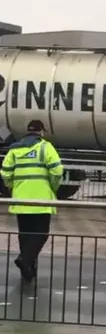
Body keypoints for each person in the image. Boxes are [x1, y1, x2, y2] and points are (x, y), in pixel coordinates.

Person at [0, 120, 63, 282]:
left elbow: (5, 172)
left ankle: (28, 271)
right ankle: (25, 260)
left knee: (25, 235)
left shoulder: (15, 149)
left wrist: (13, 186)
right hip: (41, 200)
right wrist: (53, 186)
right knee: (41, 234)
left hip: (21, 199)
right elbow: (57, 170)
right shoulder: (45, 147)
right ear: (41, 132)